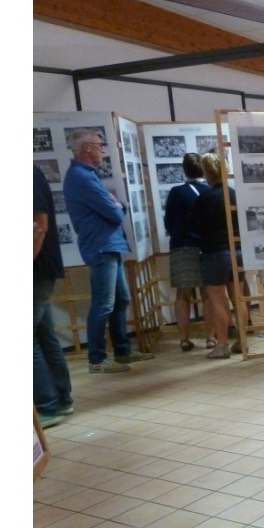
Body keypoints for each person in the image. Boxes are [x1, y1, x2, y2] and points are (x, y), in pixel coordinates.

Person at [63, 129, 154, 373]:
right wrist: (119, 204)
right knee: (103, 304)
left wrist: (116, 204)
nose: (102, 149)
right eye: (99, 145)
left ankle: (122, 351)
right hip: (101, 245)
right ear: (86, 148)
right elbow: (114, 212)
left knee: (121, 299)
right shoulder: (81, 177)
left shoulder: (86, 175)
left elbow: (113, 208)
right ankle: (97, 359)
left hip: (108, 244)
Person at [34, 166, 74, 427]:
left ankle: (47, 406)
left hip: (34, 270)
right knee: (44, 335)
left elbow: (38, 225)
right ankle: (60, 398)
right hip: (38, 269)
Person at [188, 153, 238, 359]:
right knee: (238, 298)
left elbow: (195, 226)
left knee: (217, 300)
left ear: (207, 173)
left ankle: (222, 345)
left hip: (214, 252)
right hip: (237, 250)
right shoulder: (234, 194)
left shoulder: (205, 198)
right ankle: (242, 341)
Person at [163, 153, 211, 351]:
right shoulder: (210, 191)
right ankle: (211, 338)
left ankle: (183, 338)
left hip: (181, 245)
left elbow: (169, 223)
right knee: (208, 295)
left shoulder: (176, 192)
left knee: (182, 295)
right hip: (207, 247)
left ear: (184, 170)